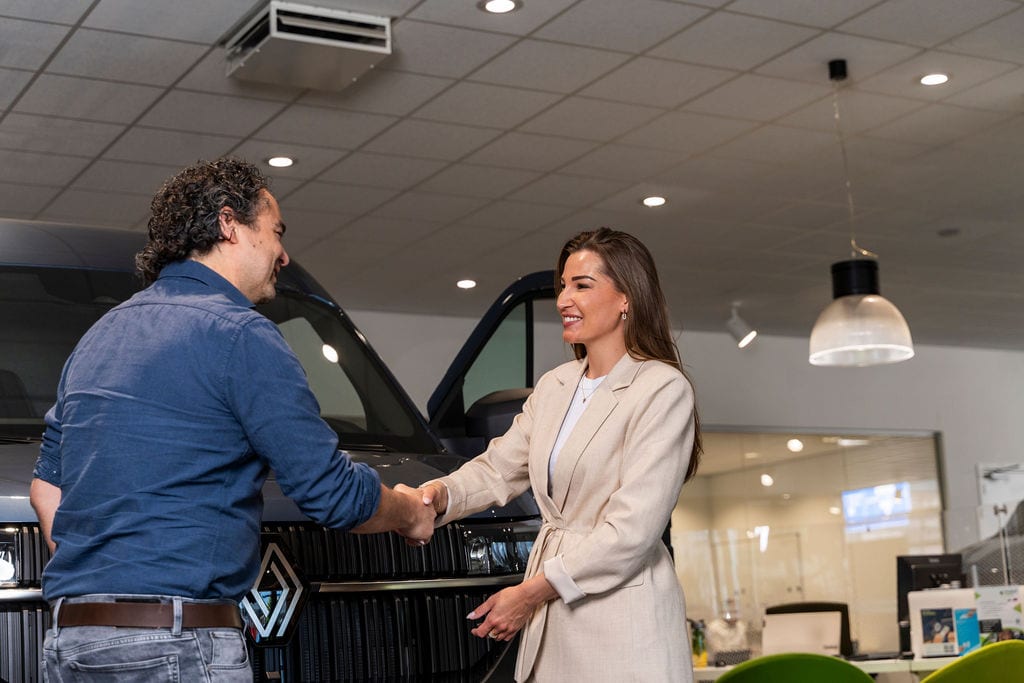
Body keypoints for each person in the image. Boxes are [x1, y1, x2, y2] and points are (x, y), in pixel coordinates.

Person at [28, 157, 435, 681]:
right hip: (175, 643)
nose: (284, 254)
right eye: (275, 232)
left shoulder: (98, 338)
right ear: (228, 224)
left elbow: (47, 490)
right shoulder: (241, 333)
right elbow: (327, 491)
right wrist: (407, 511)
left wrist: (109, 573)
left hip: (72, 644)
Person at [420, 227, 702, 682]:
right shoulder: (554, 386)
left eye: (582, 285)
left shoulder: (662, 389)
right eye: (562, 286)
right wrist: (435, 497)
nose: (564, 299)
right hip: (553, 621)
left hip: (621, 623)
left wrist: (531, 592)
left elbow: (631, 532)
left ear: (627, 297)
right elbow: (497, 469)